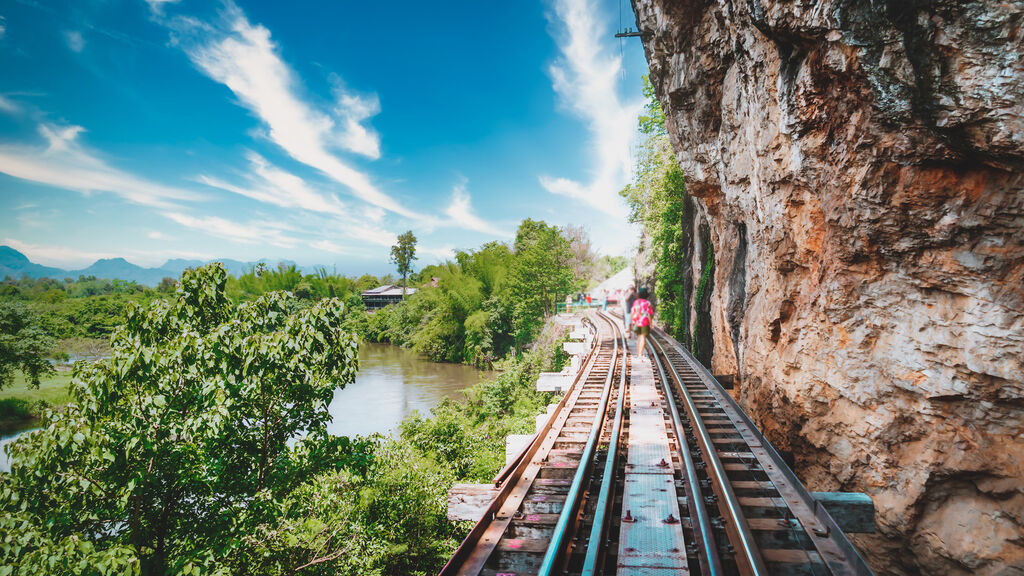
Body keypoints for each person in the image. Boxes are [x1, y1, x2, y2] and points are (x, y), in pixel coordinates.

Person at [631, 287, 653, 360]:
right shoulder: (647, 303)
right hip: (644, 322)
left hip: (637, 322)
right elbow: (649, 314)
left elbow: (633, 311)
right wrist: (651, 324)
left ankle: (638, 353)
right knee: (643, 338)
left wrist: (633, 321)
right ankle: (640, 355)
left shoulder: (636, 302)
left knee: (639, 337)